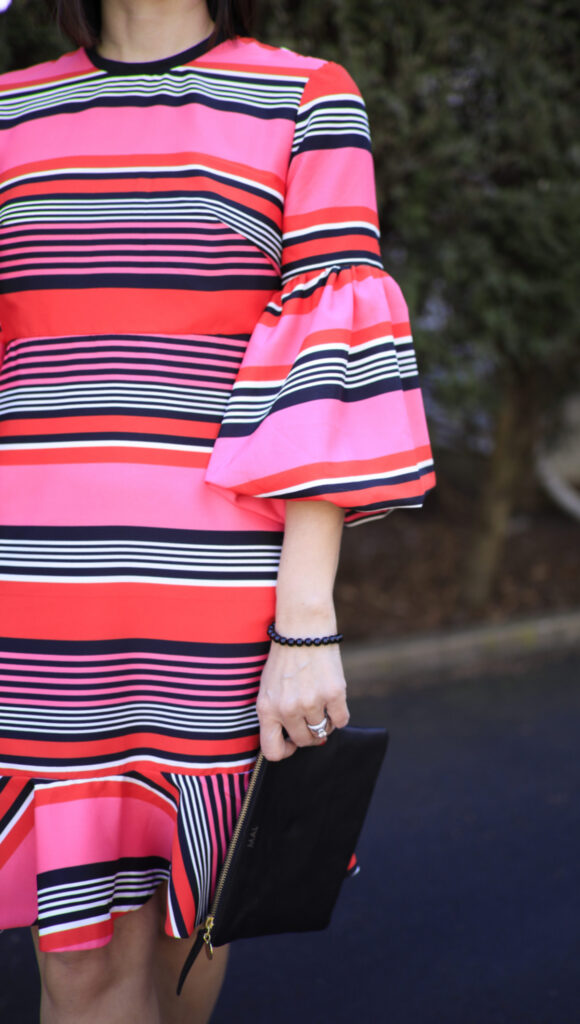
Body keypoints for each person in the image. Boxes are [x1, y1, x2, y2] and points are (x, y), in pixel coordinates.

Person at [0, 0, 435, 1020]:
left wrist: (306, 623)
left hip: (216, 602)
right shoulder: (10, 116)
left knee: (184, 943)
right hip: (30, 602)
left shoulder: (304, 98)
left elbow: (330, 361)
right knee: (78, 965)